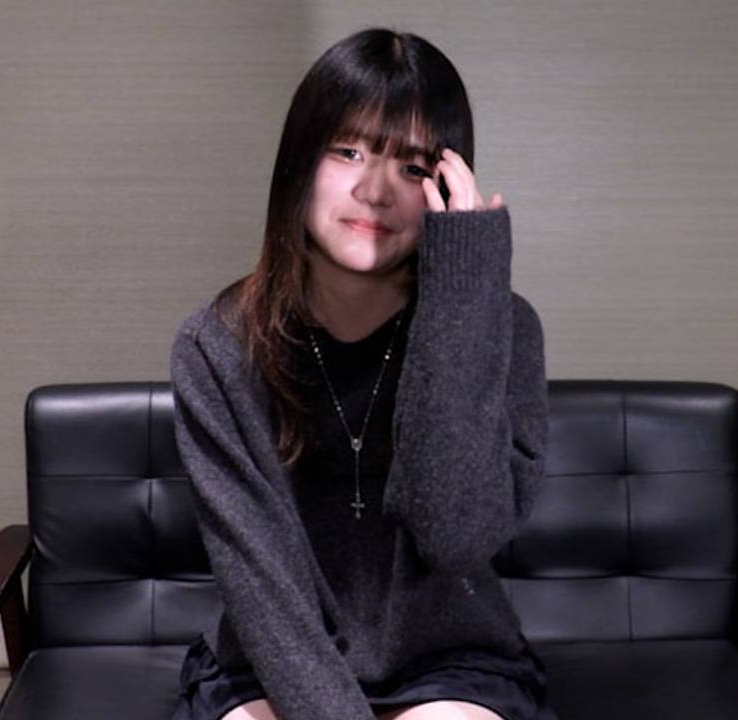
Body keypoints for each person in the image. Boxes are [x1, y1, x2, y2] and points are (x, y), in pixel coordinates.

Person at [169, 28, 553, 720]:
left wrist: (462, 291)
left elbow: (455, 535)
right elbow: (264, 591)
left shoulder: (503, 325)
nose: (374, 191)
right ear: (299, 160)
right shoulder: (217, 345)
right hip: (268, 661)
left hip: (449, 659)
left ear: (445, 183)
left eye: (411, 166)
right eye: (347, 151)